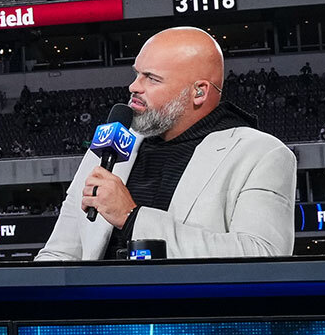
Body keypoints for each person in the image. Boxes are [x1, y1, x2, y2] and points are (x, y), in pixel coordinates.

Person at [36, 27, 295, 261]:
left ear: (199, 92)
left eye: (151, 78)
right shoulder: (110, 146)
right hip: (100, 312)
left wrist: (132, 218)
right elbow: (59, 253)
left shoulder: (261, 153)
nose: (134, 86)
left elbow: (262, 255)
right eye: (137, 74)